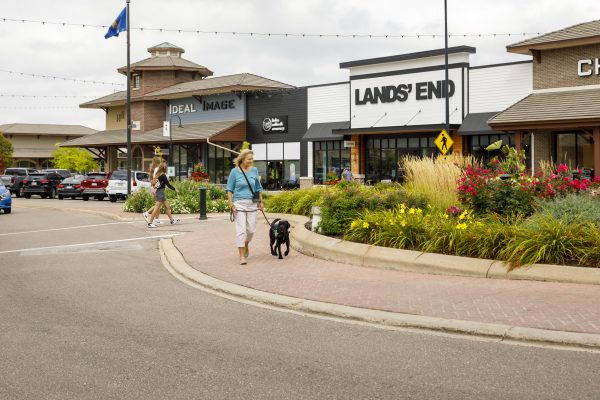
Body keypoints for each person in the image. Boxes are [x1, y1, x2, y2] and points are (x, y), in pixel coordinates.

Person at [226, 149, 264, 265]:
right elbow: (229, 189)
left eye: (252, 159)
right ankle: (242, 256)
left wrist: (261, 202)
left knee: (251, 230)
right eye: (249, 159)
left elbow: (258, 188)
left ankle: (246, 244)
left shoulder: (254, 170)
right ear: (242, 159)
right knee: (241, 230)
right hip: (239, 203)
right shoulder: (234, 172)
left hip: (252, 203)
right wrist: (231, 203)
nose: (251, 161)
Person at [147, 163, 180, 228]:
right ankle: (150, 223)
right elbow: (168, 185)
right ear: (164, 169)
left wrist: (155, 192)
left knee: (167, 207)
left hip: (160, 192)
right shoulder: (163, 175)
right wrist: (175, 189)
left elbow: (157, 185)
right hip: (160, 193)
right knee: (156, 208)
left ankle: (172, 220)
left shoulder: (158, 175)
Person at [143, 156, 162, 224]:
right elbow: (157, 179)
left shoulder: (153, 169)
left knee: (158, 204)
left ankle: (157, 219)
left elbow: (153, 179)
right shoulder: (157, 169)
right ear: (158, 162)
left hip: (154, 187)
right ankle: (146, 213)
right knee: (158, 204)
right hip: (156, 187)